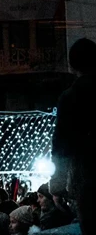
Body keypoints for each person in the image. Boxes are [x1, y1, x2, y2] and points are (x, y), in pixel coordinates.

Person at [51, 38, 96, 235]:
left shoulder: (70, 97)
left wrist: (58, 183)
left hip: (87, 176)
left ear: (71, 65)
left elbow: (62, 144)